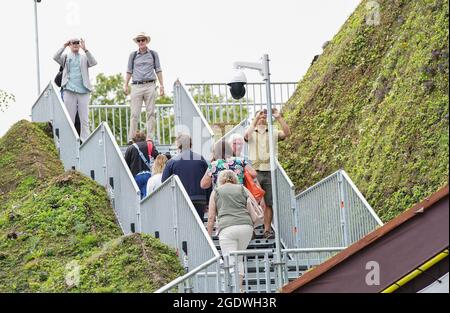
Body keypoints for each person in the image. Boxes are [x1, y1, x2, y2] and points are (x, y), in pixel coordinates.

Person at [244, 108, 291, 239]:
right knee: (251, 201)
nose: (262, 117)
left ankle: (267, 230)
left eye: (264, 115)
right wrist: (255, 119)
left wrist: (278, 117)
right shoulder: (251, 131)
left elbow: (287, 133)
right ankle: (251, 229)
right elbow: (246, 136)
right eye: (259, 115)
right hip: (255, 171)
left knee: (269, 202)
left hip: (270, 170)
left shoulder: (273, 132)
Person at [207, 170, 256, 292]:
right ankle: (239, 288)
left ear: (220, 180)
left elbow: (211, 216)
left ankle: (235, 290)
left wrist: (208, 235)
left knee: (230, 260)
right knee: (238, 259)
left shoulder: (216, 191)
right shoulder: (242, 188)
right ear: (234, 179)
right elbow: (253, 205)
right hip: (246, 226)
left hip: (227, 227)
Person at [53, 38, 97, 143]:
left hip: (83, 91)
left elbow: (93, 62)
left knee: (84, 119)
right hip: (69, 90)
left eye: (77, 43)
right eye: (73, 43)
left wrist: (85, 49)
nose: (76, 45)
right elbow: (55, 57)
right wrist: (64, 46)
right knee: (70, 118)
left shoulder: (84, 57)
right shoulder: (66, 57)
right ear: (70, 45)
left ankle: (85, 140)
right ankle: (69, 140)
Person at [124, 32, 165, 143]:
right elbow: (129, 71)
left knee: (150, 112)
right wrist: (125, 84)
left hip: (150, 85)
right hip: (136, 86)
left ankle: (149, 137)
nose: (141, 42)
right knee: (134, 113)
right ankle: (131, 138)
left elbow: (158, 70)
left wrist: (161, 85)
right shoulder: (133, 55)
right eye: (139, 40)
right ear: (137, 42)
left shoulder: (153, 54)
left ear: (146, 41)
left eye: (143, 40)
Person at [161, 134, 211, 220]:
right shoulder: (201, 159)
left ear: (178, 145)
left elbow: (164, 182)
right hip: (200, 199)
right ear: (191, 144)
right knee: (199, 226)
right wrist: (208, 200)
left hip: (180, 199)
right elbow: (208, 179)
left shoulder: (172, 162)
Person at [124, 131, 159, 199]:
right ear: (144, 138)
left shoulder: (130, 148)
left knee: (137, 197)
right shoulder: (149, 145)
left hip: (136, 176)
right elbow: (157, 157)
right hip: (148, 174)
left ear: (134, 140)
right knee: (146, 196)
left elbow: (126, 164)